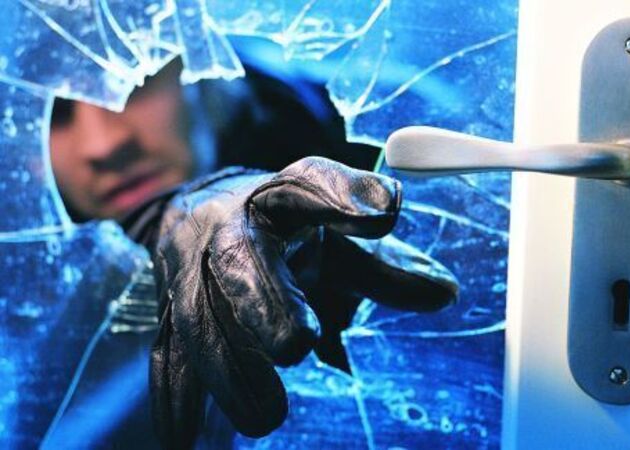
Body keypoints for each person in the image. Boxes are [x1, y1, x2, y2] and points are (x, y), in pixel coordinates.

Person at [47, 56, 458, 449]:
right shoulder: (24, 302)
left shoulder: (400, 134)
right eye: (55, 114)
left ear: (195, 53)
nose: (104, 144)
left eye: (128, 80)